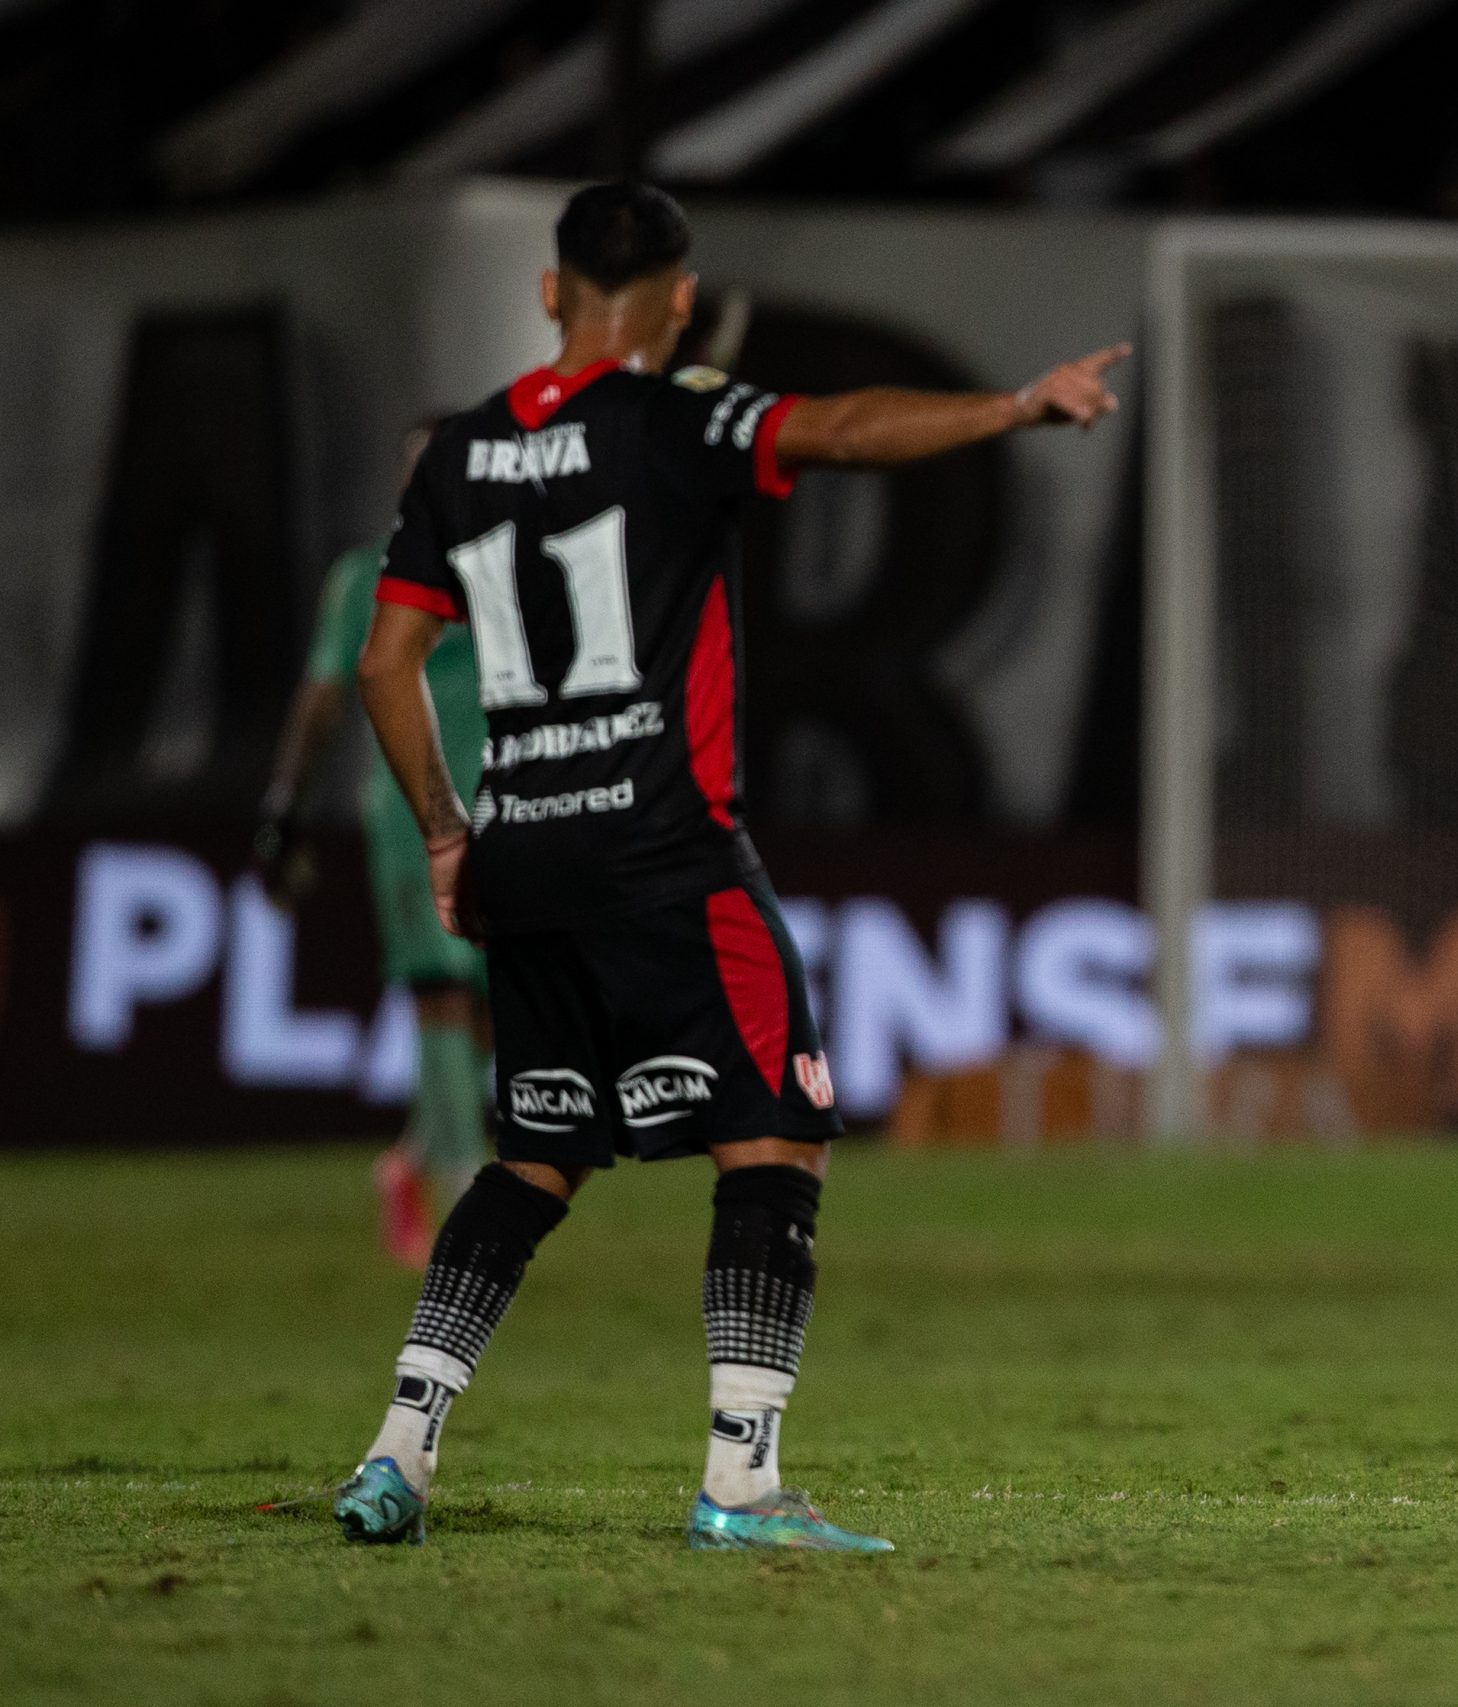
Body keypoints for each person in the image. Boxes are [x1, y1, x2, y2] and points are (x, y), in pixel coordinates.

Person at [334, 181, 1127, 1552]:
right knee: (778, 1131)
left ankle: (397, 1451)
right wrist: (1010, 408)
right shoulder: (680, 417)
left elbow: (384, 661)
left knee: (532, 1151)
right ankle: (741, 1482)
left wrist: (449, 830)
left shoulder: (460, 452)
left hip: (525, 848)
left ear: (551, 294)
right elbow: (839, 430)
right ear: (682, 299)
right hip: (665, 850)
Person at [258, 419, 490, 1268]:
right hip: (407, 815)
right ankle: (468, 1192)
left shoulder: (506, 574)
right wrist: (284, 804)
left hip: (502, 812)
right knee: (439, 992)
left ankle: (409, 1160)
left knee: (492, 1017)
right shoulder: (365, 580)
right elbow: (321, 698)